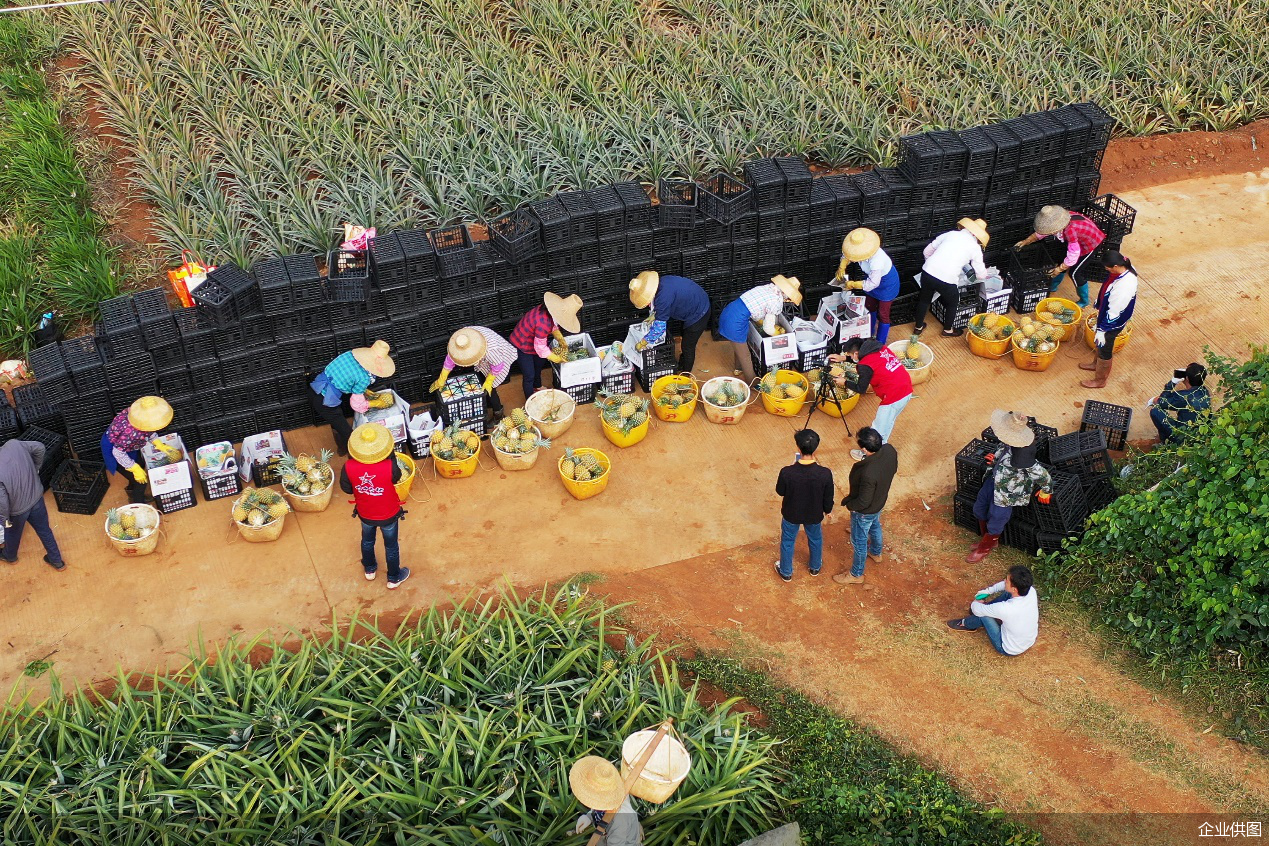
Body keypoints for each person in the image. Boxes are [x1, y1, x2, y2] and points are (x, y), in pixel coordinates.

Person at [966, 410, 1052, 564]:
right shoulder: (1006, 443)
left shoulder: (1024, 457)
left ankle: (986, 547)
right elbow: (1001, 454)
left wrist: (1047, 490)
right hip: (993, 482)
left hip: (1006, 495)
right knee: (979, 508)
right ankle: (988, 539)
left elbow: (1042, 474)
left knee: (996, 519)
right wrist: (994, 460)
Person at [340, 423, 409, 589]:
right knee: (391, 546)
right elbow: (396, 478)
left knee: (367, 540)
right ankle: (393, 577)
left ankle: (369, 570)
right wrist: (390, 457)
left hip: (365, 513)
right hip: (389, 513)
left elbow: (346, 488)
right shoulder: (389, 465)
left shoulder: (348, 467)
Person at [309, 340, 396, 456]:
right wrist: (376, 403)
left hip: (315, 386)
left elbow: (345, 376)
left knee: (336, 422)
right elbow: (357, 406)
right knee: (348, 433)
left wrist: (363, 390)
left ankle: (341, 443)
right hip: (325, 400)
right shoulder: (364, 378)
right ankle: (349, 453)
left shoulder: (349, 354)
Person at [835, 426, 898, 585]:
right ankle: (876, 553)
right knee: (875, 524)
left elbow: (863, 501)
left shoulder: (868, 472)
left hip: (864, 511)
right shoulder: (890, 451)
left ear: (864, 449)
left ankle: (856, 574)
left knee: (859, 541)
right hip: (879, 502)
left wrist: (850, 505)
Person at [828, 337, 913, 451]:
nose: (851, 357)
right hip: (906, 387)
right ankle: (882, 446)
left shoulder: (864, 366)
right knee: (889, 421)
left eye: (850, 355)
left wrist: (845, 382)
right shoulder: (879, 347)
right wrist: (844, 358)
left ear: (856, 353)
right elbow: (865, 358)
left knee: (876, 429)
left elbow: (861, 388)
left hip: (894, 396)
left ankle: (869, 453)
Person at [911, 218, 990, 338]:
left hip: (928, 272)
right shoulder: (975, 248)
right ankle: (947, 330)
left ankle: (918, 328)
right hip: (947, 279)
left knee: (924, 300)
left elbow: (927, 251)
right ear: (978, 236)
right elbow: (980, 273)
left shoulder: (950, 234)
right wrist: (984, 275)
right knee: (953, 302)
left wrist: (934, 266)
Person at [1014, 205, 1106, 308]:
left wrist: (1060, 268)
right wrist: (1027, 241)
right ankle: (1053, 286)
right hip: (1078, 241)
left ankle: (1084, 300)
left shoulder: (1070, 231)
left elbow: (1073, 254)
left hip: (1091, 243)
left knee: (1075, 273)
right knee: (1061, 260)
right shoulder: (1060, 220)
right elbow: (1042, 232)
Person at [774, 428, 835, 582]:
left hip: (791, 513)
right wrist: (828, 510)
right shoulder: (825, 473)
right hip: (813, 514)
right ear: (816, 448)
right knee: (815, 538)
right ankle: (815, 566)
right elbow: (828, 496)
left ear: (798, 448)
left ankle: (786, 571)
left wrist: (790, 470)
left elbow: (780, 491)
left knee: (788, 541)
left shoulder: (787, 472)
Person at [716, 274, 802, 384]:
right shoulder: (776, 300)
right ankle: (753, 383)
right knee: (746, 356)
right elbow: (768, 329)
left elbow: (756, 312)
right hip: (735, 322)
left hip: (730, 310)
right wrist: (779, 335)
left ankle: (738, 368)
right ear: (788, 295)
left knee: (739, 346)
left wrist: (764, 322)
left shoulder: (767, 288)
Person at [627, 270, 711, 374]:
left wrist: (643, 342)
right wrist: (655, 315)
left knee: (687, 346)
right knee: (685, 335)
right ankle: (683, 360)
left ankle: (685, 373)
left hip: (699, 313)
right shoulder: (663, 282)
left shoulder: (662, 299)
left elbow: (659, 329)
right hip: (696, 299)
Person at [946, 565, 1040, 657]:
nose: (1004, 581)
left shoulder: (1005, 609)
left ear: (1014, 589)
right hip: (1027, 640)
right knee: (1006, 595)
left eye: (1006, 581)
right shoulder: (1030, 591)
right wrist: (989, 591)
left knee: (984, 615)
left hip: (1008, 647)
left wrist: (976, 602)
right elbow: (1005, 587)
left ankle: (966, 624)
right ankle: (988, 610)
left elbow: (976, 609)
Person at [0, 439, 65, 571]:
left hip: (17, 511)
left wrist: (5, 520)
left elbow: (2, 502)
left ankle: (10, 556)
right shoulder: (14, 444)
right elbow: (40, 447)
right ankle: (57, 561)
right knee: (45, 530)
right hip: (36, 498)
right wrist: (35, 469)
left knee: (12, 534)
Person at [428, 326, 517, 421]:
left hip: (500, 358)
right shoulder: (462, 339)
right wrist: (442, 378)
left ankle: (498, 413)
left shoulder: (491, 351)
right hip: (487, 359)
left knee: (490, 388)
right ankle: (486, 402)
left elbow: (498, 366)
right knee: (480, 379)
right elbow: (450, 359)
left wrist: (489, 381)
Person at [508, 292, 584, 401]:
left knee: (539, 363)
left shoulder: (550, 312)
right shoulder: (543, 323)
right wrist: (556, 358)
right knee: (529, 375)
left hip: (534, 340)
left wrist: (559, 338)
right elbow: (541, 349)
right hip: (521, 344)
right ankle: (530, 400)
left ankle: (537, 386)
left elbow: (552, 326)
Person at [1080, 250, 1138, 389]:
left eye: (1108, 267)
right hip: (1107, 313)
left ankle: (1100, 380)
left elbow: (1114, 312)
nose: (1106, 270)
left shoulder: (1124, 286)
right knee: (1100, 344)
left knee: (1105, 347)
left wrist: (1102, 330)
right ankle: (1096, 364)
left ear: (1116, 266)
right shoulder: (1123, 269)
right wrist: (1100, 301)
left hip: (1112, 322)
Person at [100, 395, 174, 504]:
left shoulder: (137, 416)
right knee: (141, 482)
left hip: (126, 446)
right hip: (115, 451)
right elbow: (118, 453)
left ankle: (131, 490)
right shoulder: (131, 434)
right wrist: (133, 468)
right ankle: (138, 504)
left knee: (140, 464)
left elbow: (149, 430)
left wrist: (158, 443)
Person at [834, 227, 901, 345]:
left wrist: (853, 284)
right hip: (870, 279)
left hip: (886, 284)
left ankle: (880, 342)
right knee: (870, 307)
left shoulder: (877, 260)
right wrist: (842, 266)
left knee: (883, 314)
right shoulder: (856, 251)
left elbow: (873, 284)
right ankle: (868, 334)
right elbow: (847, 255)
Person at [569, 756, 643, 846]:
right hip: (606, 833)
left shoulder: (620, 820)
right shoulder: (608, 796)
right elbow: (598, 805)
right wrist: (589, 817)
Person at [1148, 362, 1211, 444]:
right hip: (1200, 435)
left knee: (1156, 411)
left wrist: (1172, 383)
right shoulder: (1205, 391)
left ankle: (1168, 442)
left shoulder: (1183, 396)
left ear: (1187, 378)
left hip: (1183, 436)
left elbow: (1161, 402)